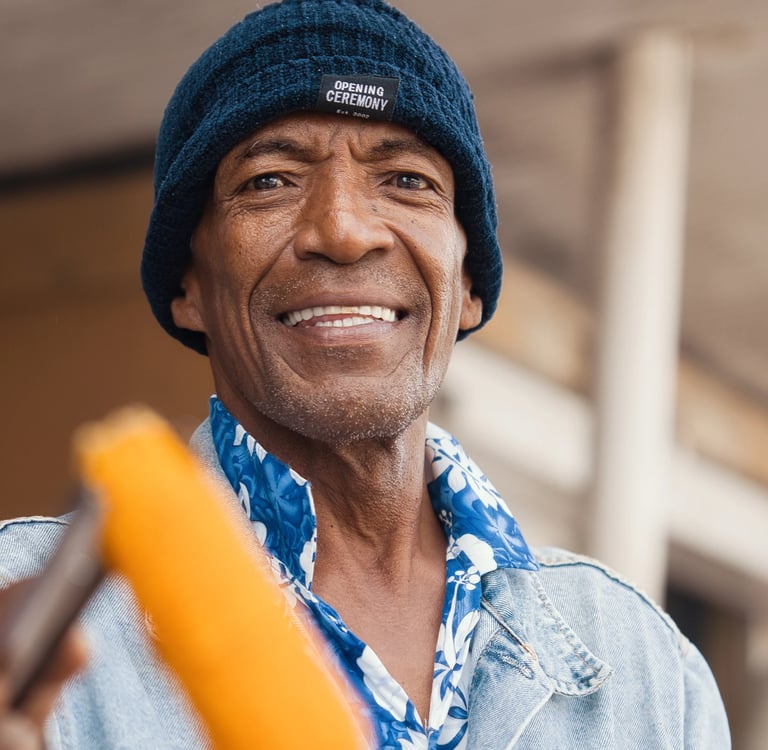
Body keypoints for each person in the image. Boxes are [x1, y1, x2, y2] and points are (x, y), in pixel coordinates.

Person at [0, 0, 730, 747]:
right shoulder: (20, 615)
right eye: (269, 181)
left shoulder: (647, 667)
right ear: (188, 284)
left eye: (407, 180)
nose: (344, 231)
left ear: (470, 283)